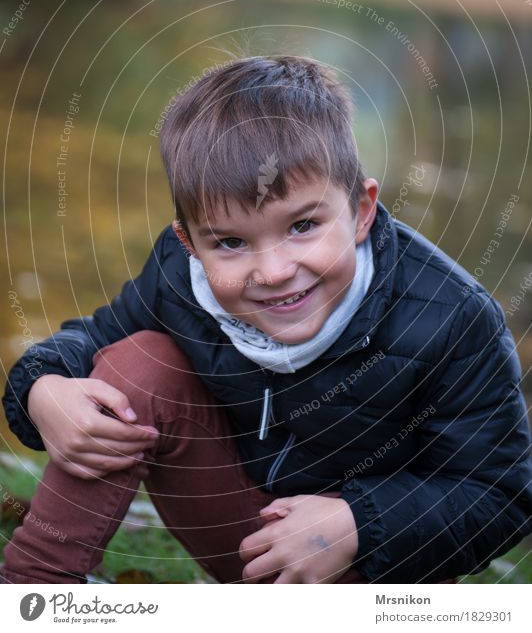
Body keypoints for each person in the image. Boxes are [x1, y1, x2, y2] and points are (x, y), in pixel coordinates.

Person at [1, 55, 531, 585]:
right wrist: (42, 389)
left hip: (361, 570)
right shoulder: (181, 274)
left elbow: (502, 493)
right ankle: (35, 588)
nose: (274, 272)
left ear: (362, 210)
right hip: (241, 533)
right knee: (139, 366)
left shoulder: (452, 314)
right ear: (189, 242)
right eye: (230, 242)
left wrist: (360, 525)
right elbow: (93, 338)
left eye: (303, 225)